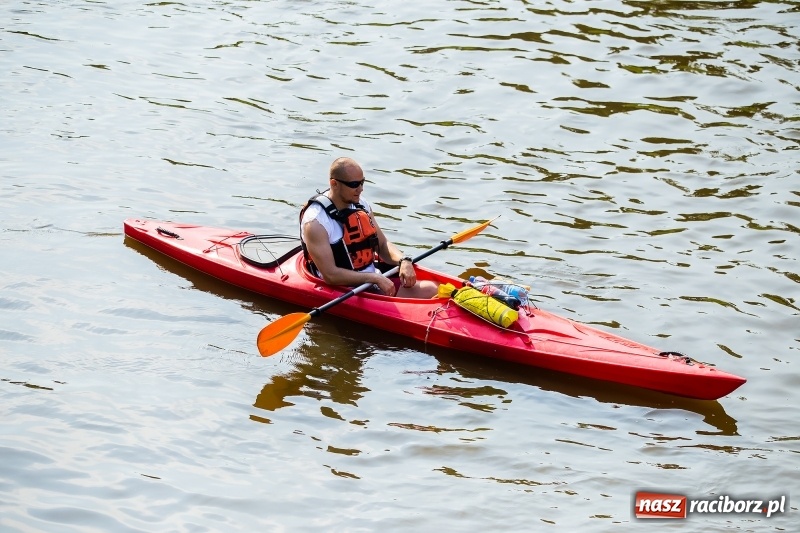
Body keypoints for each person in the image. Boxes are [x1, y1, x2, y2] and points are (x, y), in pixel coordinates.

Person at [299, 157, 438, 298]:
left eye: (362, 182)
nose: (360, 189)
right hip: (344, 289)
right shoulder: (316, 222)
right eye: (354, 184)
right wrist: (374, 278)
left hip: (371, 279)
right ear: (334, 184)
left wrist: (403, 260)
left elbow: (382, 245)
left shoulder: (360, 204)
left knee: (434, 288)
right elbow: (331, 275)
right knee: (430, 290)